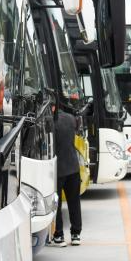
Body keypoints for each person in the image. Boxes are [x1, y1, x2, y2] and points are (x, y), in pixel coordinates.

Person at [50, 103, 82, 247]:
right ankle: (76, 234)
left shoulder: (50, 122)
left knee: (56, 203)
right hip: (73, 167)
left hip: (57, 169)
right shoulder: (70, 119)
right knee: (74, 202)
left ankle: (59, 236)